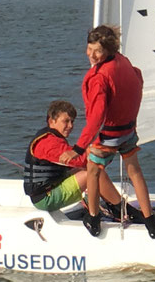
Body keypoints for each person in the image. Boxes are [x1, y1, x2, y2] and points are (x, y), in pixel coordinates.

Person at [79, 24, 155, 237]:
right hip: (128, 132)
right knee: (134, 170)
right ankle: (150, 221)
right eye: (89, 48)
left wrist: (80, 145)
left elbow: (96, 116)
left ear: (108, 50)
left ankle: (94, 219)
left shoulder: (99, 77)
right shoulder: (122, 61)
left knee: (93, 172)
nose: (92, 54)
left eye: (97, 51)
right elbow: (137, 77)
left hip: (108, 136)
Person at [23, 100, 118, 233]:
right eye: (66, 121)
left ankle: (112, 205)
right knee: (94, 173)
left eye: (72, 121)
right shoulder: (49, 143)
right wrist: (106, 147)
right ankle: (120, 210)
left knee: (89, 170)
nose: (70, 126)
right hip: (45, 198)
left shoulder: (52, 137)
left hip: (49, 188)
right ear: (52, 121)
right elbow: (81, 161)